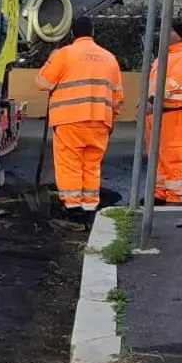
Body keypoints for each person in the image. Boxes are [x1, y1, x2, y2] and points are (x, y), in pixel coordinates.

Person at [35, 16, 125, 220]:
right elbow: (118, 96)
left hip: (70, 120)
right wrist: (111, 120)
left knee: (70, 163)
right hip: (101, 121)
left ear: (73, 33)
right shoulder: (109, 58)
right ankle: (90, 206)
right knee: (92, 164)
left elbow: (42, 83)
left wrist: (51, 58)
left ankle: (73, 208)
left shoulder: (64, 55)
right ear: (92, 32)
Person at [145, 23, 182, 206]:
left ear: (180, 36)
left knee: (171, 156)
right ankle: (160, 193)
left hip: (172, 114)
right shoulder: (167, 56)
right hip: (158, 113)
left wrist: (150, 102)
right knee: (158, 155)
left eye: (171, 30)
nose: (166, 33)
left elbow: (170, 85)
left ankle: (174, 197)